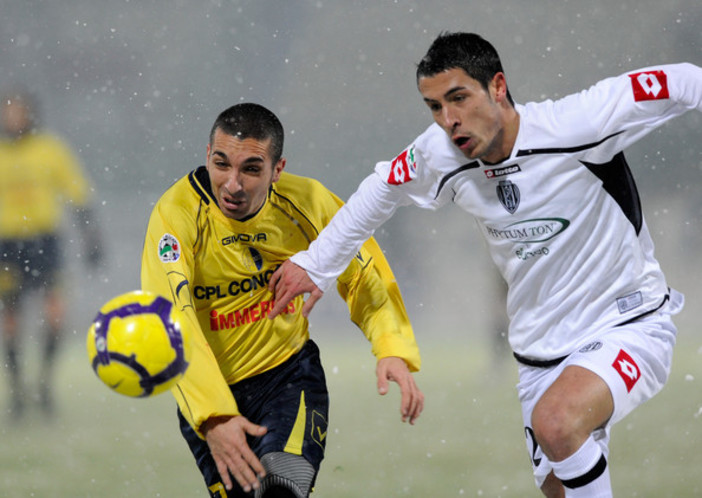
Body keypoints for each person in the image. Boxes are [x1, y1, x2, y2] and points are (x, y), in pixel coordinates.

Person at [268, 32, 702, 497]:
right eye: (434, 107)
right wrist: (316, 264)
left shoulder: (578, 123)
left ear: (497, 87)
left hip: (629, 323)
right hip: (539, 354)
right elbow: (381, 190)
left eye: (458, 98)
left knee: (556, 423)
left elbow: (686, 81)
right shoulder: (440, 153)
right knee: (559, 477)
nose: (449, 120)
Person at [140, 102, 424, 498]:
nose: (232, 184)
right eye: (221, 164)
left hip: (288, 379)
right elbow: (173, 319)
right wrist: (213, 416)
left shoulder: (307, 201)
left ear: (278, 169)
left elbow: (363, 272)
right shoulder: (176, 215)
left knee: (281, 491)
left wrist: (391, 346)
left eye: (251, 169)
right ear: (207, 156)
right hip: (212, 396)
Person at [0, 88, 102, 418]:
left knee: (56, 313)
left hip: (44, 242)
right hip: (7, 244)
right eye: (8, 112)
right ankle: (17, 393)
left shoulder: (50, 150)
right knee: (12, 320)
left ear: (31, 114)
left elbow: (78, 192)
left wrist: (91, 235)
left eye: (19, 111)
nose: (13, 118)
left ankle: (44, 385)